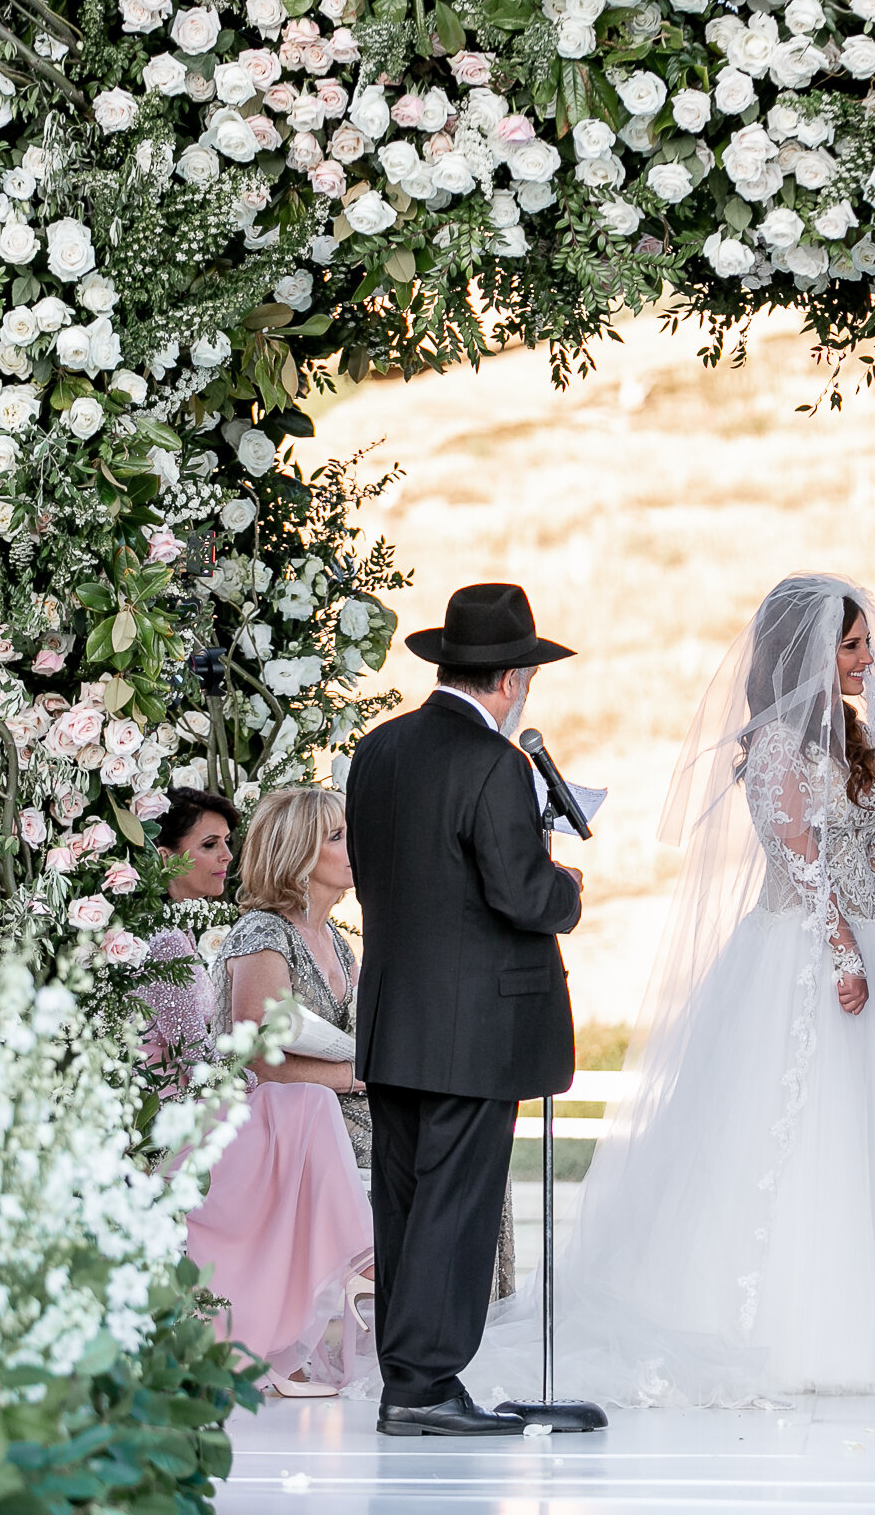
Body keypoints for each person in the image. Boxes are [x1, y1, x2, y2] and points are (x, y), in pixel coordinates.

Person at [465, 575, 875, 1408]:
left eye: (864, 644)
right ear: (804, 654)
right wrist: (841, 953)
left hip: (866, 938)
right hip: (801, 947)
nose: (868, 661)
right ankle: (783, 1334)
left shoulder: (855, 739)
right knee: (792, 1132)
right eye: (851, 646)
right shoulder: (773, 749)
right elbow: (798, 853)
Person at [344, 583, 586, 1437]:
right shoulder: (494, 764)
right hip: (477, 1025)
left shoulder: (376, 752)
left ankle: (405, 1378)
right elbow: (521, 895)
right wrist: (568, 888)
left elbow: (378, 878)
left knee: (406, 1202)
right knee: (457, 1205)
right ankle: (426, 1384)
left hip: (395, 1014)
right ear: (511, 679)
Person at [187, 787, 379, 1398]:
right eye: (337, 837)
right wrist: (359, 1077)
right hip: (255, 1115)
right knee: (320, 1106)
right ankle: (368, 1269)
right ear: (298, 853)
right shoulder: (262, 933)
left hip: (330, 1109)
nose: (354, 848)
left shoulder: (341, 945)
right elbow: (256, 1058)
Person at [140, 785, 239, 1080]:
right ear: (165, 858)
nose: (228, 856)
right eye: (210, 844)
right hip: (162, 1107)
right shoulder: (163, 940)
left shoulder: (177, 930)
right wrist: (262, 1072)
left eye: (226, 842)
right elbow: (195, 1056)